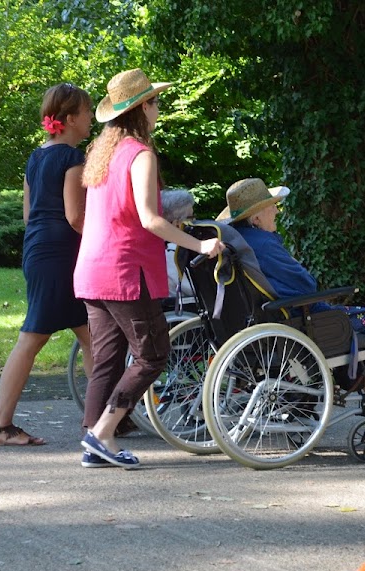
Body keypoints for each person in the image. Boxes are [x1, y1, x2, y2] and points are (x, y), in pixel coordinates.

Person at [220, 177, 365, 429]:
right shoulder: (264, 244)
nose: (277, 211)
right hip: (299, 320)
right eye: (272, 207)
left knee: (357, 323)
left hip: (274, 319)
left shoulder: (239, 241)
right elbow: (306, 285)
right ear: (256, 217)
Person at [74, 69, 225, 469]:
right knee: (153, 354)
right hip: (126, 272)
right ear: (143, 107)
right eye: (155, 103)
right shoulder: (140, 154)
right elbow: (149, 218)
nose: (158, 110)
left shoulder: (102, 153)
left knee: (107, 360)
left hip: (92, 270)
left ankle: (94, 440)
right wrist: (202, 244)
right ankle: (102, 434)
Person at [0, 83, 94, 447]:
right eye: (87, 112)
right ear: (68, 119)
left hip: (39, 249)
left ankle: (102, 419)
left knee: (90, 333)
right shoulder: (72, 159)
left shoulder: (35, 157)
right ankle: (1, 426)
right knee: (33, 337)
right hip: (61, 253)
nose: (92, 118)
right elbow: (75, 217)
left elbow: (28, 214)